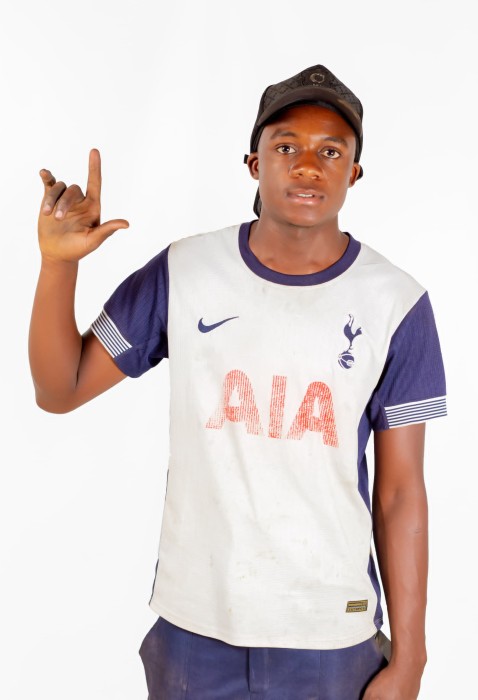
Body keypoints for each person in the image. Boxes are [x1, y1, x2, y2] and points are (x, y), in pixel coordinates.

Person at [29, 64, 447, 699]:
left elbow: (400, 494)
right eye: (286, 146)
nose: (307, 166)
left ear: (355, 173)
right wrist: (57, 266)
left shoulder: (397, 303)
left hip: (331, 638)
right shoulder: (186, 271)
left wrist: (410, 659)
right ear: (254, 164)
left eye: (331, 151)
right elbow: (61, 389)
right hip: (195, 632)